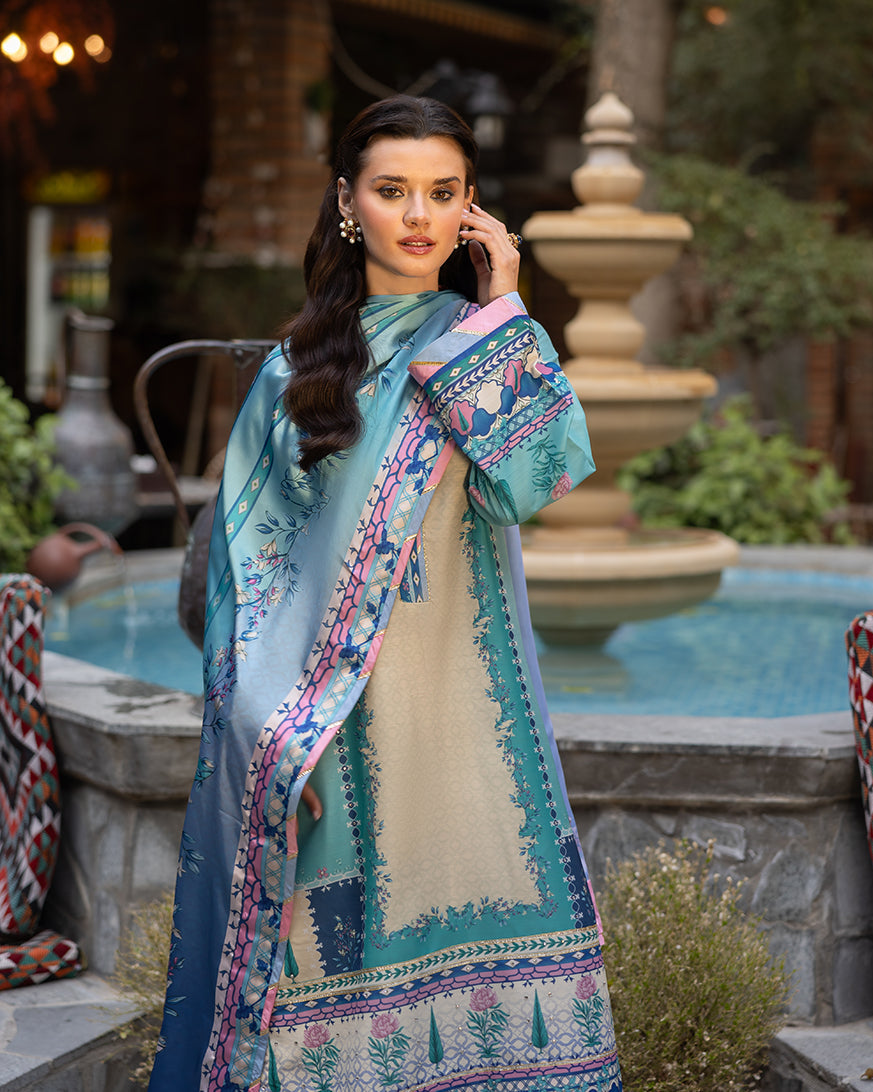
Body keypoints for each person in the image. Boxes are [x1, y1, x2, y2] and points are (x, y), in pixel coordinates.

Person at [149, 94, 623, 1092]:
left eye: (443, 193)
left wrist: (504, 304)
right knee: (323, 982)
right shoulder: (294, 376)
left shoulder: (484, 343)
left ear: (473, 207)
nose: (418, 216)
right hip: (330, 725)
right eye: (393, 189)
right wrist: (274, 732)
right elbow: (247, 574)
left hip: (463, 719)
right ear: (347, 202)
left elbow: (531, 483)